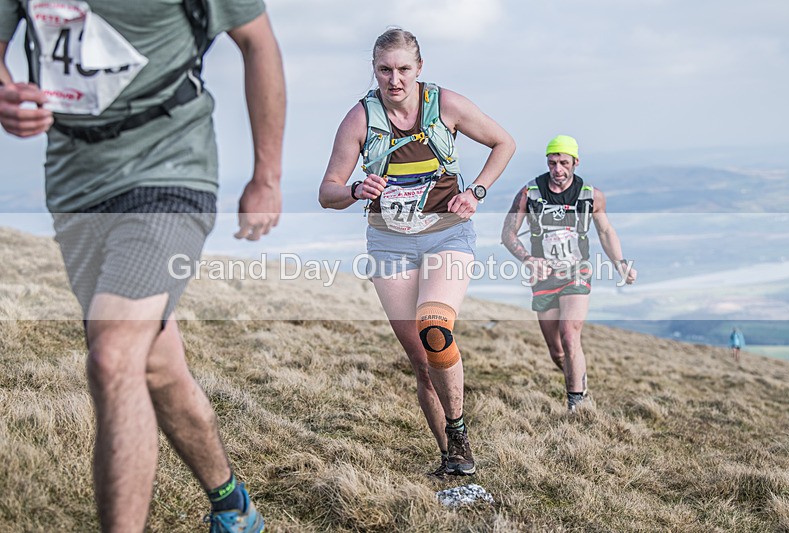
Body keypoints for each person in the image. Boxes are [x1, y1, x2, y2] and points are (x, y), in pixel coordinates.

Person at [0, 1, 285, 531]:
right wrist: (6, 96)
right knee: (155, 365)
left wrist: (266, 176)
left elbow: (257, 40)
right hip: (74, 184)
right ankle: (233, 507)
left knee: (111, 354)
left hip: (171, 170)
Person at [319, 28, 515, 477]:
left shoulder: (445, 105)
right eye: (385, 70)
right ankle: (450, 456)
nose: (395, 80)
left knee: (435, 328)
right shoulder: (359, 119)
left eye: (404, 69)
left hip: (447, 233)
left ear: (419, 69)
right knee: (421, 363)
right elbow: (326, 193)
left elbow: (505, 142)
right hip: (389, 242)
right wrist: (354, 189)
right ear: (374, 71)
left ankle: (459, 429)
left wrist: (478, 191)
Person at [501, 135, 636, 412]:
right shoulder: (530, 193)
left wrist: (620, 262)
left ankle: (577, 405)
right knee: (557, 350)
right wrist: (527, 258)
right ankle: (579, 383)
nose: (558, 170)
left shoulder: (591, 195)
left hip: (577, 270)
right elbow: (508, 233)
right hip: (543, 277)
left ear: (576, 162)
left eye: (564, 162)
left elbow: (606, 231)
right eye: (552, 163)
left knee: (569, 333)